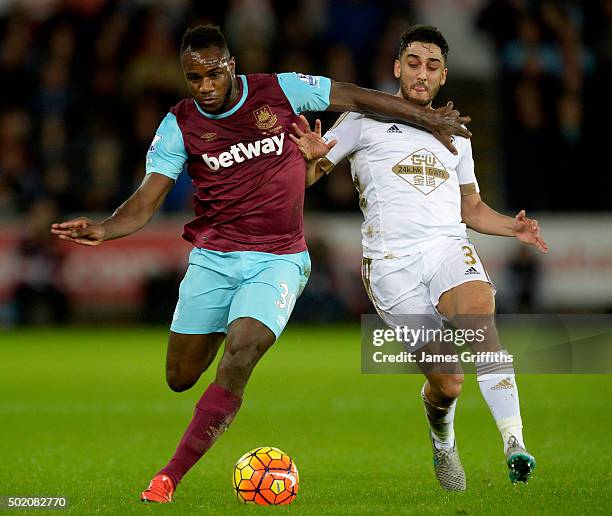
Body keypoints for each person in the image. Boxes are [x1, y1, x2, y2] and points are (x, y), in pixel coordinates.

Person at [50, 24, 471, 503]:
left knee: (242, 349)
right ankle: (212, 391)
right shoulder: (180, 124)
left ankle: (168, 478)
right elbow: (146, 201)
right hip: (213, 257)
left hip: (278, 259)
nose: (205, 87)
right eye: (194, 79)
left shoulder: (279, 90)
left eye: (212, 75)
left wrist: (426, 118)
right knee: (180, 377)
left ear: (230, 66)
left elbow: (353, 96)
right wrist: (105, 229)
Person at [290, 25, 548, 492]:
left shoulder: (457, 134)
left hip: (448, 249)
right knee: (448, 381)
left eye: (431, 66)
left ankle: (514, 442)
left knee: (480, 325)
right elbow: (310, 177)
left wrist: (512, 226)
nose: (421, 73)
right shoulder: (362, 118)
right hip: (392, 266)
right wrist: (308, 159)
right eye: (413, 63)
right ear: (397, 68)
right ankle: (442, 438)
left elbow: (470, 209)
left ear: (444, 75)